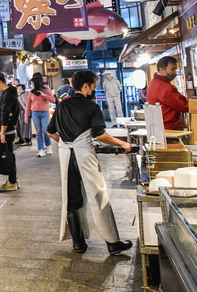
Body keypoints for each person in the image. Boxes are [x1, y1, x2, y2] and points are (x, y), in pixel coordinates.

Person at [47, 70, 133, 255]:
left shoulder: (62, 106)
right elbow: (100, 134)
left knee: (71, 198)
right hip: (85, 156)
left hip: (66, 157)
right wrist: (122, 143)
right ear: (86, 86)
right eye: (93, 86)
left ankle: (78, 244)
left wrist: (66, 144)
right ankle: (113, 243)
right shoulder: (92, 107)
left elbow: (50, 132)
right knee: (98, 196)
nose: (94, 90)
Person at [0, 72, 20, 192]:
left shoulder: (7, 94)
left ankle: (12, 183)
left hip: (7, 131)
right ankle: (13, 181)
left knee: (7, 156)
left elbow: (6, 114)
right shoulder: (11, 91)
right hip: (10, 129)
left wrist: (2, 132)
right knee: (10, 156)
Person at [146, 56, 188, 130]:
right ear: (161, 70)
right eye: (172, 69)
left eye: (175, 69)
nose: (174, 72)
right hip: (168, 127)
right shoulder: (165, 88)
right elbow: (183, 106)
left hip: (158, 127)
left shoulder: (153, 82)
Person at [26, 72, 56, 157]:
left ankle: (48, 146)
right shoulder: (31, 92)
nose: (31, 85)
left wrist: (44, 95)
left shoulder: (46, 90)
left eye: (32, 83)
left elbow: (53, 100)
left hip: (44, 112)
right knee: (38, 132)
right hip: (35, 113)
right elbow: (28, 104)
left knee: (45, 131)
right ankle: (40, 150)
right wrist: (26, 115)